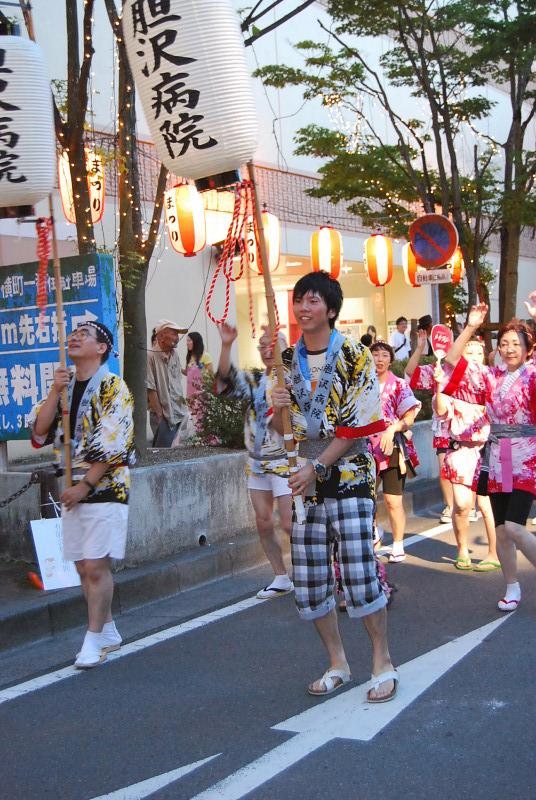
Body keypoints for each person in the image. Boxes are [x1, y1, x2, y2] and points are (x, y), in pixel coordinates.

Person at [270, 271, 397, 703]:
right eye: (299, 300)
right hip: (303, 479)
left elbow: (358, 428)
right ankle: (338, 661)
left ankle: (382, 661)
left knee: (360, 572)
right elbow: (279, 428)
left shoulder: (356, 357)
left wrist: (315, 468)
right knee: (309, 577)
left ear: (331, 309)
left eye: (312, 301)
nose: (303, 308)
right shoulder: (285, 361)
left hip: (349, 476)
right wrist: (276, 407)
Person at [30, 321, 134, 669]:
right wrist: (53, 393)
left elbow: (113, 440)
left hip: (105, 486)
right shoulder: (64, 385)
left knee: (94, 565)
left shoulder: (113, 387)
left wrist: (85, 485)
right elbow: (40, 430)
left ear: (102, 347)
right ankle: (108, 630)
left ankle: (92, 640)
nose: (75, 337)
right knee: (80, 566)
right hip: (70, 487)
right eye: (72, 333)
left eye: (84, 334)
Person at [445, 302, 536, 610]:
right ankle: (511, 586)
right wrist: (471, 326)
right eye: (504, 344)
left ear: (527, 348)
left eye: (516, 344)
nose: (509, 349)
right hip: (497, 458)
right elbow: (451, 360)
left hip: (526, 456)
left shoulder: (532, 374)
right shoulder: (489, 377)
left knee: (514, 526)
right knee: (501, 530)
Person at [216, 324, 293, 599]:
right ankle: (281, 576)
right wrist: (226, 345)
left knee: (289, 522)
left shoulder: (294, 379)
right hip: (258, 461)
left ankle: (314, 570)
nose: (267, 349)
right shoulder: (256, 381)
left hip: (286, 460)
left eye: (273, 343)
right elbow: (225, 381)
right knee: (263, 521)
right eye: (262, 345)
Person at [430, 334, 499, 571]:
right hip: (461, 451)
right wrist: (439, 387)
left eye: (479, 353)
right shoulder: (451, 383)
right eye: (469, 354)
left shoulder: (493, 380)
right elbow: (440, 411)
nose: (474, 358)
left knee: (489, 507)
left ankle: (494, 554)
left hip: (490, 450)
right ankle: (461, 549)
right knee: (461, 505)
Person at [369, 341, 421, 563]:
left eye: (384, 355)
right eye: (375, 355)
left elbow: (409, 416)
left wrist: (393, 428)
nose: (379, 359)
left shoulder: (399, 385)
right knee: (364, 499)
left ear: (390, 359)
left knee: (393, 500)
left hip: (391, 447)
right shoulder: (360, 385)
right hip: (363, 448)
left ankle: (398, 544)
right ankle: (373, 533)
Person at [405, 334, 454, 524]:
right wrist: (420, 348)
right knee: (444, 468)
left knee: (467, 471)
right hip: (443, 427)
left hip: (467, 428)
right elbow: (411, 372)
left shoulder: (468, 371)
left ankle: (468, 505)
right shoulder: (437, 369)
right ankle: (450, 506)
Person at [147, 318, 188, 447]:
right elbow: (150, 387)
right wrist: (159, 414)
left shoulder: (174, 354)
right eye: (174, 333)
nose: (177, 338)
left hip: (178, 412)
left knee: (175, 453)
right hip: (163, 414)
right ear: (161, 335)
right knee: (163, 452)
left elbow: (177, 383)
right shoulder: (150, 356)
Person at [182, 332, 213, 432]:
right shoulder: (189, 357)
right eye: (187, 341)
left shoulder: (205, 356)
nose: (187, 343)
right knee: (194, 418)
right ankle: (198, 439)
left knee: (203, 418)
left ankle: (206, 439)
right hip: (190, 395)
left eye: (189, 340)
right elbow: (188, 373)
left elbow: (211, 375)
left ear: (195, 342)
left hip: (201, 394)